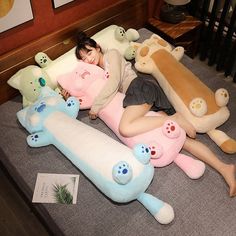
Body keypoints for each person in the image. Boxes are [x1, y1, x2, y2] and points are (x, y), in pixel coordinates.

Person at [61, 31, 236, 197]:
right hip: (139, 103)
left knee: (126, 128)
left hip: (141, 89)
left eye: (89, 53)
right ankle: (224, 168)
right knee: (183, 141)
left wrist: (96, 107)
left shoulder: (111, 55)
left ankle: (171, 118)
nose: (88, 59)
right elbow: (89, 93)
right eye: (84, 59)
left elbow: (114, 82)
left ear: (97, 47)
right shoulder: (96, 74)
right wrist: (69, 97)